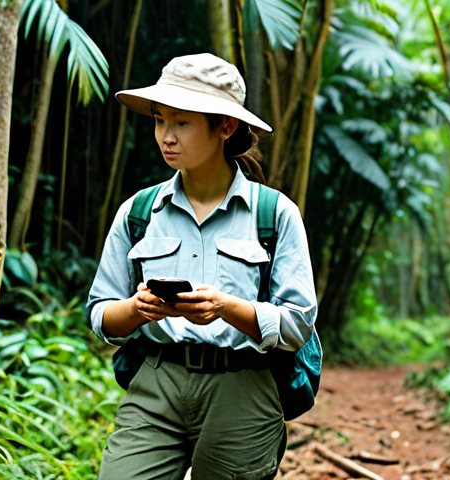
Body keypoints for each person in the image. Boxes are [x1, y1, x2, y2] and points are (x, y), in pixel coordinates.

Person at [87, 53, 317, 480]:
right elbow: (100, 311)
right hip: (156, 380)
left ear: (224, 126)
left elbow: (298, 323)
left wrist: (227, 307)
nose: (165, 136)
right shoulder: (138, 212)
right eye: (159, 120)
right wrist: (136, 310)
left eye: (181, 122)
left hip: (243, 387)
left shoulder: (275, 214)